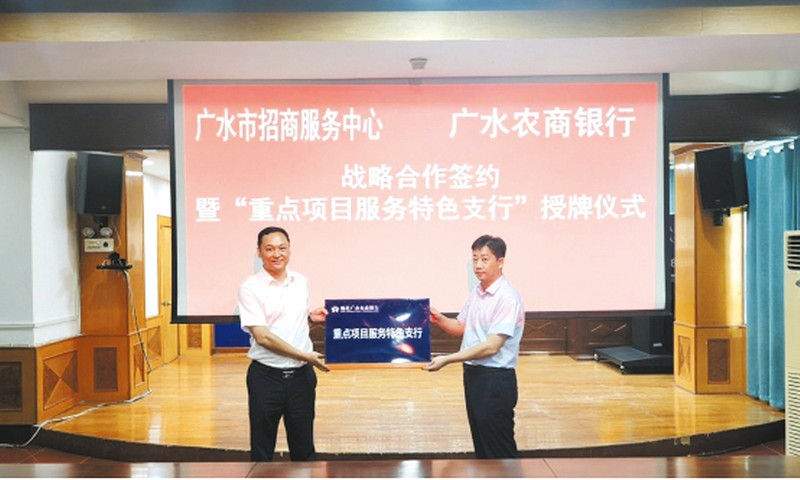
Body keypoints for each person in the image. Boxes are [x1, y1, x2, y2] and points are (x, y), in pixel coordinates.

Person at [425, 234, 525, 459]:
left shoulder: (507, 297)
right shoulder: (478, 293)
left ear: (500, 262)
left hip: (495, 379)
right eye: (475, 259)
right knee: (483, 444)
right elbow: (461, 326)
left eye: (485, 259)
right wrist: (440, 319)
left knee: (498, 448)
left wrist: (448, 359)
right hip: (474, 376)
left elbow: (491, 347)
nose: (478, 265)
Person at [237, 226, 328, 462]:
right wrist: (305, 355)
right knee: (262, 449)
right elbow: (263, 337)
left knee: (304, 448)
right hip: (266, 379)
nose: (277, 254)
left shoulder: (301, 282)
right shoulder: (250, 288)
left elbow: (289, 323)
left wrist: (310, 319)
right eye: (269, 249)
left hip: (301, 379)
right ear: (259, 252)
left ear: (289, 249)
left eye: (282, 248)